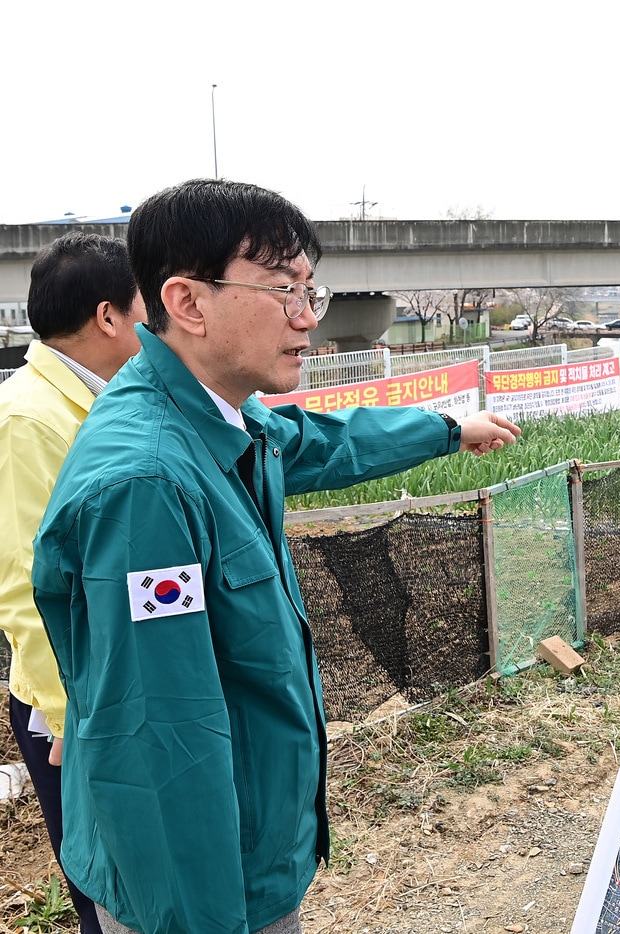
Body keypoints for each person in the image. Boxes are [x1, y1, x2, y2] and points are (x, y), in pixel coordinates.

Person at [31, 179, 521, 934]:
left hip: (249, 852)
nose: (306, 318)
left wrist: (447, 430)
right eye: (282, 290)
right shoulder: (148, 488)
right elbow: (166, 742)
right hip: (204, 892)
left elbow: (321, 443)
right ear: (189, 303)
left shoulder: (220, 417)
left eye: (310, 290)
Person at [0, 233, 146, 934]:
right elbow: (24, 584)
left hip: (113, 690)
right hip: (74, 713)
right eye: (147, 302)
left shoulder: (99, 397)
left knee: (137, 877)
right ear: (109, 316)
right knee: (104, 886)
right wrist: (70, 718)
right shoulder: (28, 418)